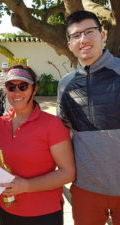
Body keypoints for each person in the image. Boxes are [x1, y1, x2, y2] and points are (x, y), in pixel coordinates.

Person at [57, 10, 120, 225]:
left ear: (102, 35)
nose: (83, 40)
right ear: (69, 45)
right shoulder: (65, 85)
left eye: (89, 32)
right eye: (76, 36)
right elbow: (63, 132)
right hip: (86, 189)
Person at [0, 65, 75, 225]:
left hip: (44, 213)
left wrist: (27, 186)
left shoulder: (52, 124)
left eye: (23, 86)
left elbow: (68, 173)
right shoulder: (0, 124)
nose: (17, 92)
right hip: (7, 209)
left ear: (34, 89)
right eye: (11, 87)